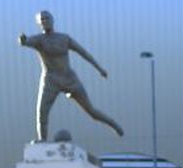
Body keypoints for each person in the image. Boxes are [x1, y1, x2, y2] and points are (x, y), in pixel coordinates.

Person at [18, 10, 124, 141]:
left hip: (69, 78)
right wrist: (22, 40)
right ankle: (42, 141)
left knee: (91, 110)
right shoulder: (39, 40)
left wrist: (99, 69)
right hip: (50, 80)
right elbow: (26, 41)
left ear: (52, 20)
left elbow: (83, 53)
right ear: (39, 23)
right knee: (42, 113)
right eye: (42, 20)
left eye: (47, 18)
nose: (45, 21)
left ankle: (113, 124)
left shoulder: (64, 38)